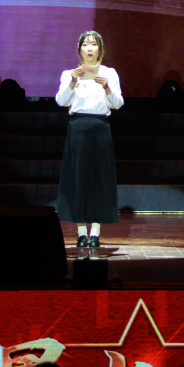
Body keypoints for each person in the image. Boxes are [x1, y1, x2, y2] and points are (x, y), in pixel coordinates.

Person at [54, 30, 123, 248]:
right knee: (78, 178)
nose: (90, 48)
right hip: (78, 128)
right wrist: (72, 82)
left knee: (99, 179)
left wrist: (106, 87)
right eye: (86, 44)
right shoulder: (69, 74)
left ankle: (95, 232)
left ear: (100, 49)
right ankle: (81, 232)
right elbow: (61, 101)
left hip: (100, 128)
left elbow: (118, 103)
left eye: (94, 44)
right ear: (79, 49)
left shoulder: (109, 73)